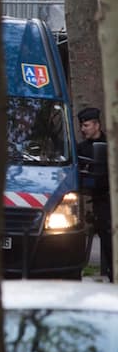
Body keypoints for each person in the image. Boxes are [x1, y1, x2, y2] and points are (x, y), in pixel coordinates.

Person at [77, 106, 112, 282]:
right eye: (82, 126)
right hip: (102, 201)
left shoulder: (111, 144)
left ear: (97, 125)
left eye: (86, 125)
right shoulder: (81, 149)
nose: (83, 130)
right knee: (107, 241)